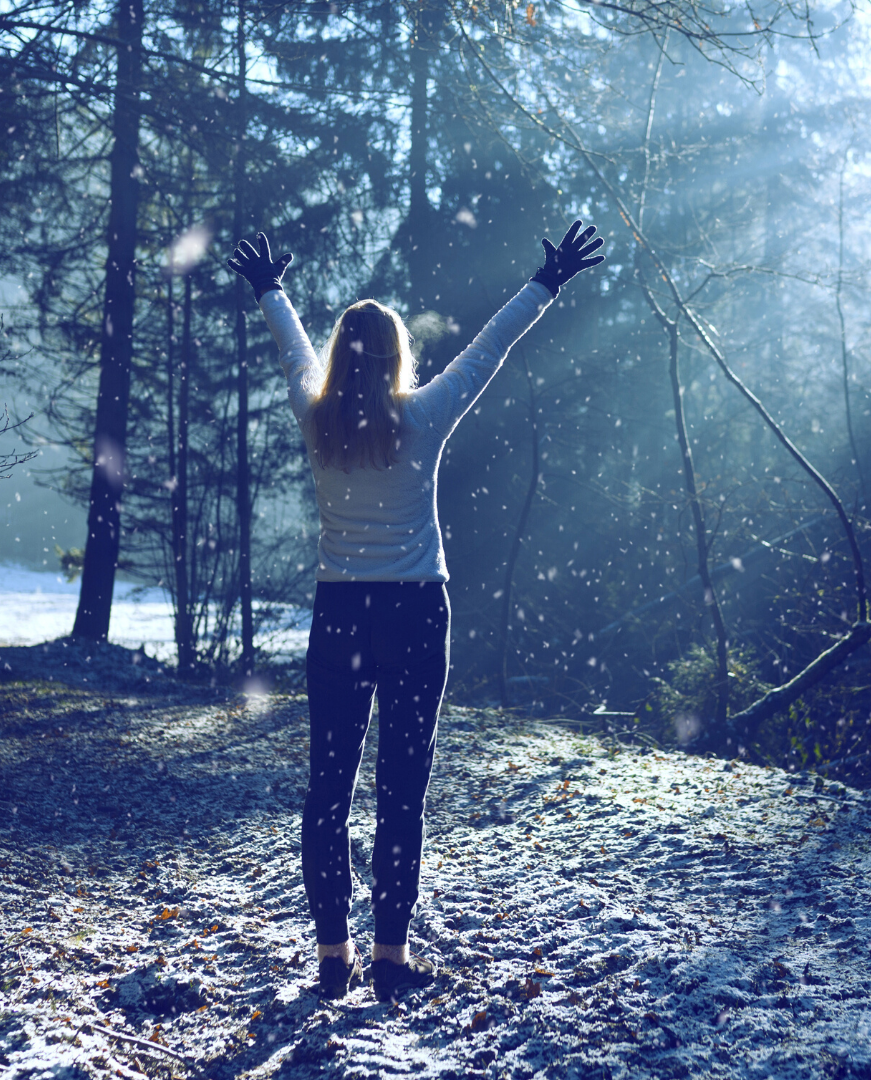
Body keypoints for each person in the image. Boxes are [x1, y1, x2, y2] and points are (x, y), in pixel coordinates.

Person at [225, 221, 605, 1003]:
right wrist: (549, 280)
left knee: (327, 791)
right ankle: (390, 961)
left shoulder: (314, 413)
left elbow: (295, 350)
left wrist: (270, 288)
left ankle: (334, 959)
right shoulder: (423, 417)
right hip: (414, 616)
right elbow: (487, 351)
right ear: (398, 359)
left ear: (341, 359)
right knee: (402, 793)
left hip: (339, 616)